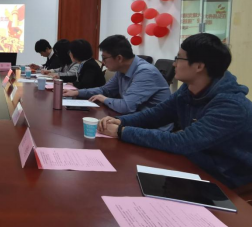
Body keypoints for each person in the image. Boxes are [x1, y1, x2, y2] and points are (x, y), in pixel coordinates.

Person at [98, 33, 252, 188]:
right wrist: (120, 121)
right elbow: (157, 114)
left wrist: (122, 131)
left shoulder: (231, 106)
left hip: (227, 177)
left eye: (178, 58)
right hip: (194, 162)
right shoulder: (189, 89)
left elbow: (183, 142)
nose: (174, 64)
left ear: (199, 66)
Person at [64, 35, 171, 118]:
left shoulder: (145, 72)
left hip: (154, 127)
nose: (103, 62)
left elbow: (126, 106)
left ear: (119, 58)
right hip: (133, 119)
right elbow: (105, 90)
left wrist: (104, 99)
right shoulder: (122, 70)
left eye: (104, 58)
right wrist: (77, 92)